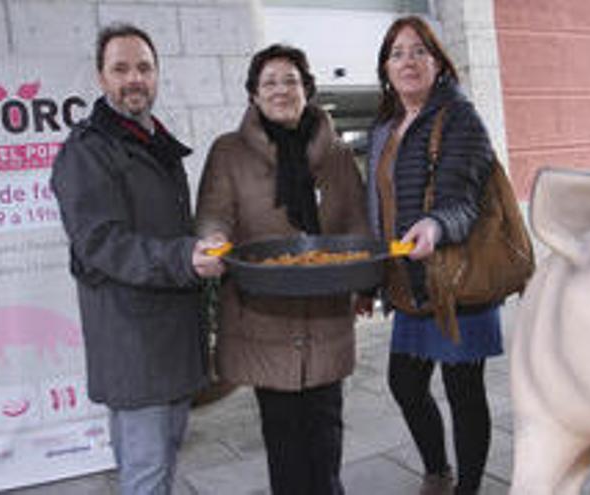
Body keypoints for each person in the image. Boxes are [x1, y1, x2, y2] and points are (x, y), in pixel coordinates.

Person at [50, 23, 219, 495]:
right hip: (133, 345)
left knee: (161, 464)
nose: (134, 79)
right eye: (120, 68)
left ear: (157, 74)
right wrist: (186, 256)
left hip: (172, 339)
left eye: (144, 67)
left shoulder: (152, 142)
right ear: (101, 78)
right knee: (146, 473)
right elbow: (100, 243)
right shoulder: (87, 151)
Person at [194, 44, 369, 495]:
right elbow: (214, 213)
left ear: (307, 89)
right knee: (285, 444)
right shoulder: (229, 152)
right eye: (269, 82)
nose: (280, 90)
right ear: (253, 94)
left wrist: (365, 278)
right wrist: (213, 240)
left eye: (290, 80)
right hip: (265, 315)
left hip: (327, 313)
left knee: (327, 439)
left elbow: (355, 223)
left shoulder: (336, 155)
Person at [366, 16, 503, 495]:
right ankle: (437, 470)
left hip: (455, 279)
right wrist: (371, 280)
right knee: (404, 383)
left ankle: (465, 488)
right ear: (385, 67)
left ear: (438, 62)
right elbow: (377, 207)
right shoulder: (385, 127)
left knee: (465, 393)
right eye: (398, 52)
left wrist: (436, 224)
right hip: (407, 282)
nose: (408, 61)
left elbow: (463, 201)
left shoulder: (459, 116)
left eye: (419, 51)